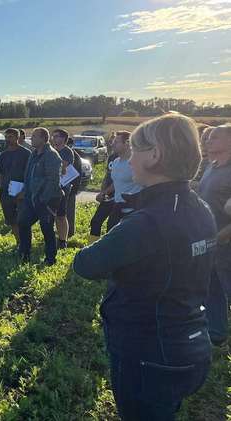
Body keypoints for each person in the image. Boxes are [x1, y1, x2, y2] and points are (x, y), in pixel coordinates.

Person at [73, 113, 216, 420]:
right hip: (191, 344)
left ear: (154, 155)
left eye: (135, 151)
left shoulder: (146, 222)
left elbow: (86, 264)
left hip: (150, 354)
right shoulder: (199, 207)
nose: (130, 159)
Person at [198, 125, 231, 346]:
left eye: (215, 137)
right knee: (213, 286)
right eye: (208, 137)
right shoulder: (212, 166)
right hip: (211, 239)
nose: (208, 140)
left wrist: (223, 235)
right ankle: (217, 332)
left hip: (225, 240)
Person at [18, 127, 62, 265]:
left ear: (43, 139)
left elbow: (53, 180)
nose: (32, 138)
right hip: (31, 198)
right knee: (23, 222)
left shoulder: (52, 155)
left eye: (35, 136)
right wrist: (25, 190)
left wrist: (44, 199)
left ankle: (50, 258)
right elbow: (28, 174)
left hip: (46, 199)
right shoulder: (34, 153)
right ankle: (24, 254)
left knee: (47, 228)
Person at [0, 128, 31, 246]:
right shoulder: (3, 155)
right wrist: (0, 189)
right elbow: (0, 173)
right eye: (6, 137)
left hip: (21, 190)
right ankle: (19, 242)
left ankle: (26, 242)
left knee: (22, 218)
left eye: (10, 137)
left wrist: (25, 190)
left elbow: (30, 173)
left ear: (17, 138)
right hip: (6, 191)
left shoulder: (26, 153)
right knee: (11, 219)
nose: (8, 139)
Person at [106, 131, 142, 231]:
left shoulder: (136, 162)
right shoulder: (116, 162)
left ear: (127, 143)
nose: (112, 144)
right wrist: (104, 193)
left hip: (133, 209)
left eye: (116, 142)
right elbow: (117, 182)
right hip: (117, 206)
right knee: (110, 234)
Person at [89, 133, 119, 243]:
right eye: (112, 141)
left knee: (112, 226)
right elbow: (107, 176)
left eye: (116, 142)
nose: (112, 144)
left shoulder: (129, 160)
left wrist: (105, 192)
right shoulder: (112, 157)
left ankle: (110, 251)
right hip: (108, 196)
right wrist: (102, 192)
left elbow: (118, 181)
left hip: (119, 198)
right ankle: (92, 248)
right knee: (96, 221)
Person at [51, 129, 75, 249]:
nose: (54, 138)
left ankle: (63, 240)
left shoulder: (67, 151)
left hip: (63, 187)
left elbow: (63, 166)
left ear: (63, 139)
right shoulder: (51, 150)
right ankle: (54, 237)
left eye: (56, 136)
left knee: (61, 215)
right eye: (53, 136)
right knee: (52, 214)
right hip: (51, 186)